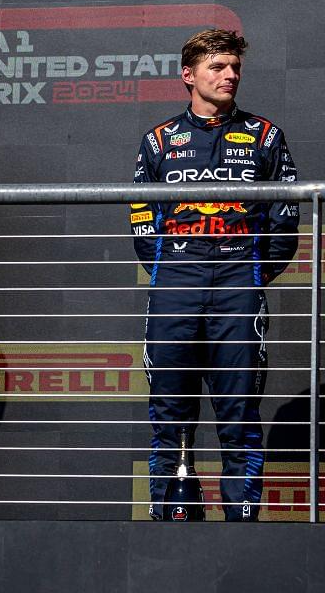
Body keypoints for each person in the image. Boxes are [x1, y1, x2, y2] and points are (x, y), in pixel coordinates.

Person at [131, 29, 299, 521]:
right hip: (176, 285)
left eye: (235, 68)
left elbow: (285, 218)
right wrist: (169, 267)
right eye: (217, 68)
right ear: (189, 75)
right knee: (169, 416)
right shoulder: (159, 140)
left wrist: (249, 273)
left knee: (240, 414)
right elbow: (142, 216)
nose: (229, 76)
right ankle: (169, 519)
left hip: (237, 286)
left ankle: (241, 526)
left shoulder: (265, 136)